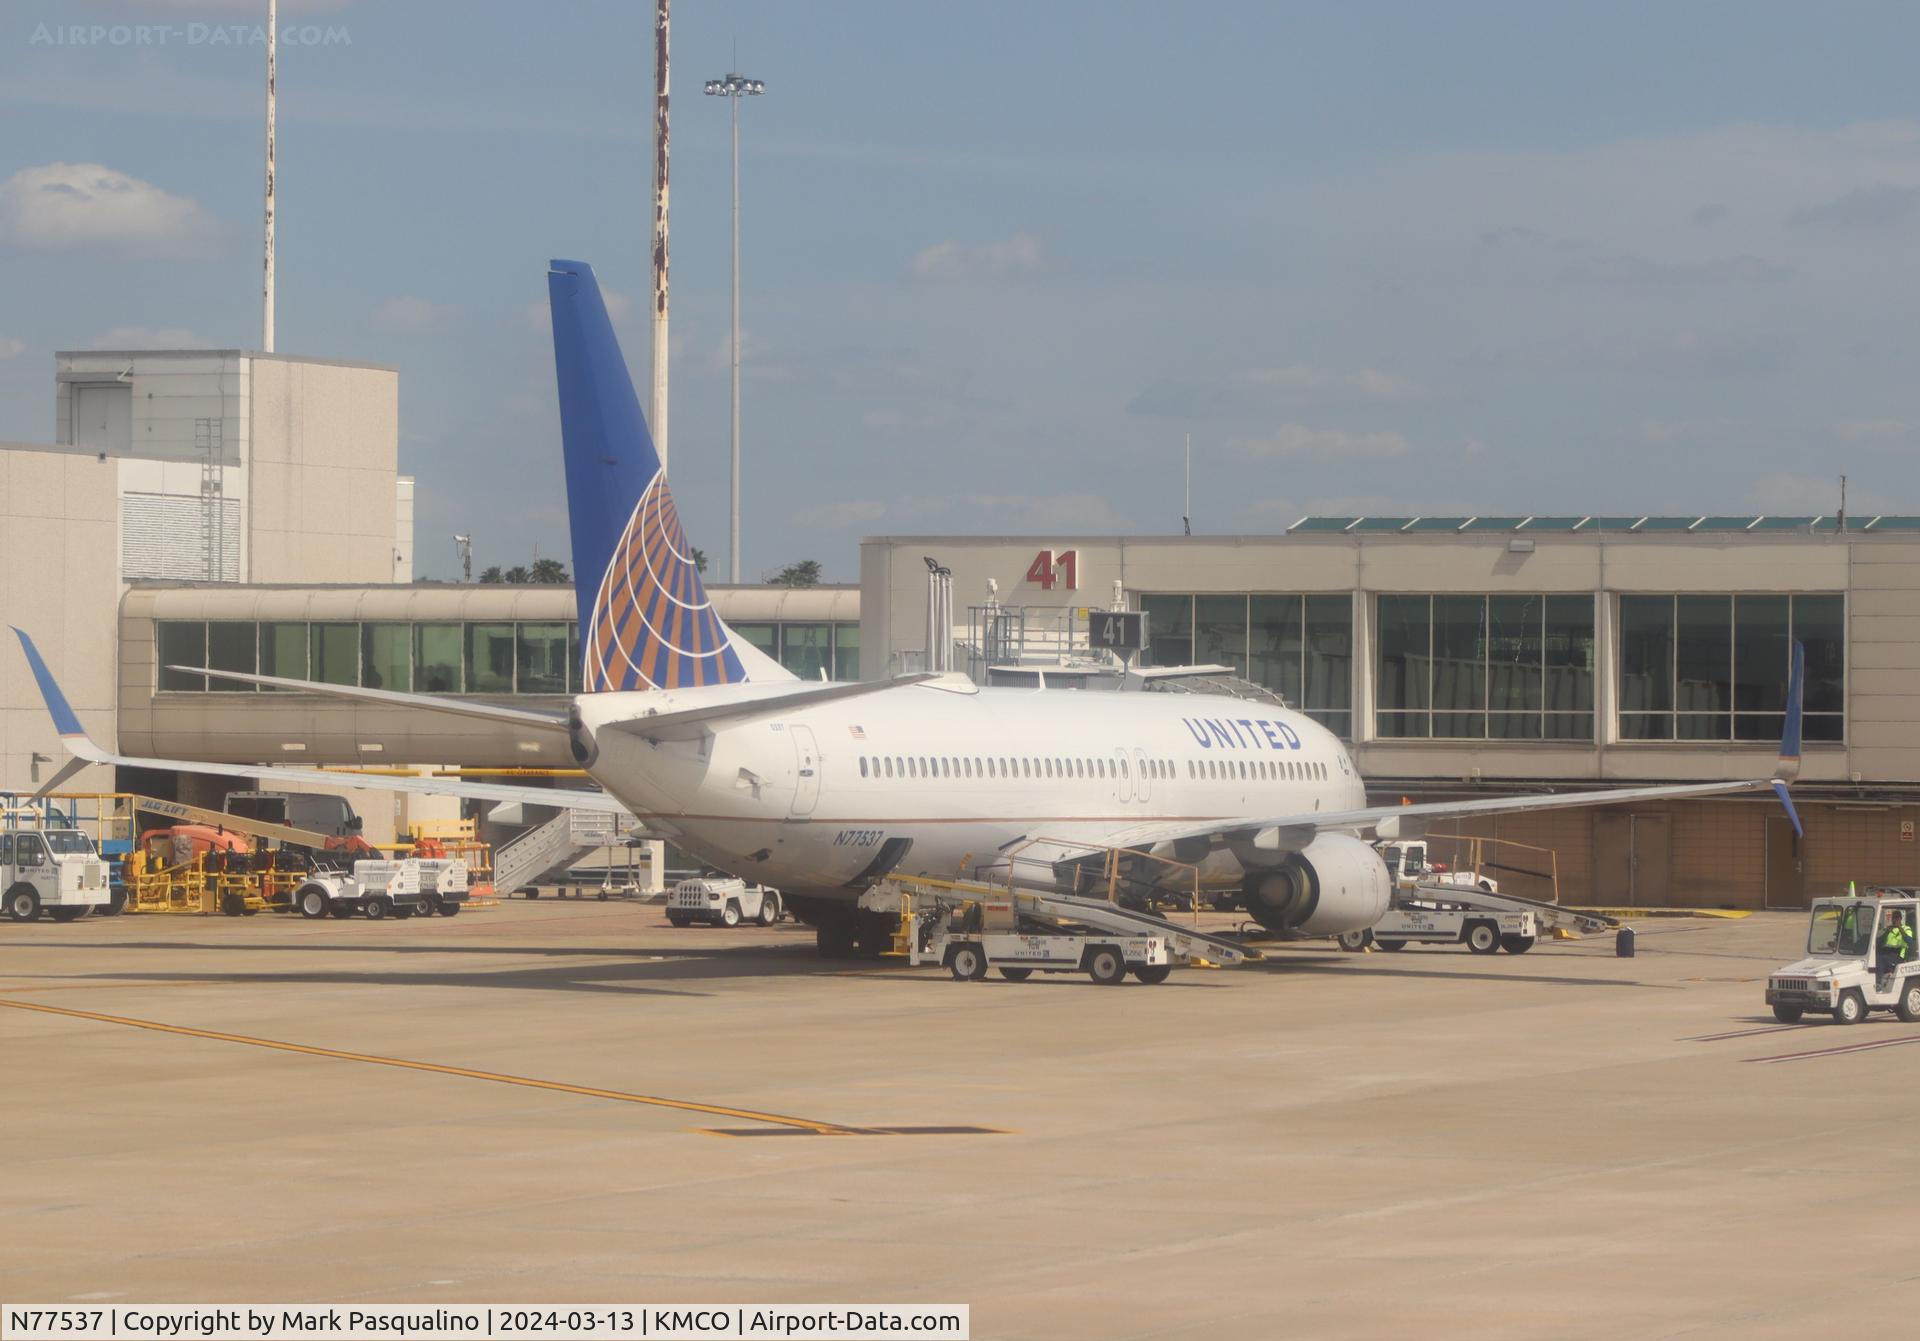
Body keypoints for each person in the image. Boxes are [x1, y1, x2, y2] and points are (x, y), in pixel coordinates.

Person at [1878, 908, 1914, 988]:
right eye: (1893, 918)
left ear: (1900, 919)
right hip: (1887, 952)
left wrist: (1900, 929)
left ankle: (1879, 983)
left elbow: (1910, 941)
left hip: (1898, 954)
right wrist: (1887, 932)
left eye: (1897, 918)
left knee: (1881, 959)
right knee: (1876, 958)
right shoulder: (1890, 929)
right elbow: (1880, 941)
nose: (1895, 920)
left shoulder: (1906, 928)